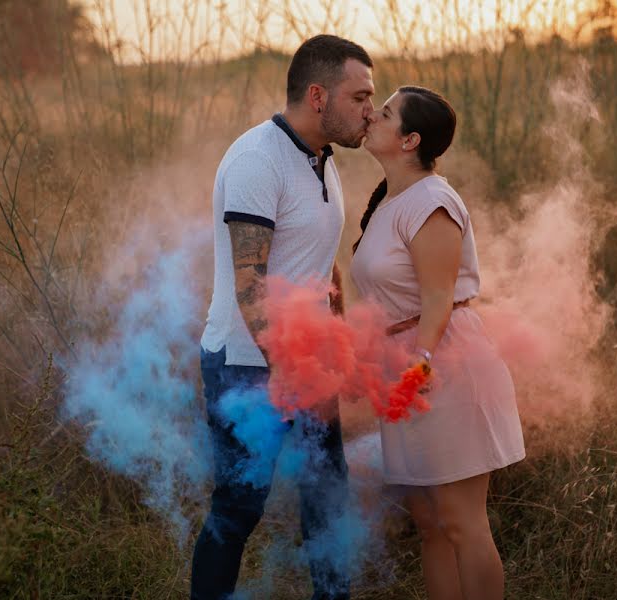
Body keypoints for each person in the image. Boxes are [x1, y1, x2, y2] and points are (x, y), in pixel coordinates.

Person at [192, 35, 375, 600]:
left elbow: (314, 256)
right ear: (318, 96)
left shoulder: (323, 157)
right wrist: (292, 375)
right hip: (248, 364)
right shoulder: (257, 160)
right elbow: (253, 286)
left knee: (327, 501)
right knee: (240, 506)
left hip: (309, 362)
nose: (372, 108)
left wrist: (337, 325)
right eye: (360, 95)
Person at [349, 86, 526, 600]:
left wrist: (421, 362)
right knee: (428, 521)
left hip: (444, 367)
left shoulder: (432, 200)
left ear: (409, 140)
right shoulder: (390, 202)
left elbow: (438, 295)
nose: (369, 117)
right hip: (405, 371)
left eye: (383, 114)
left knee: (461, 520)